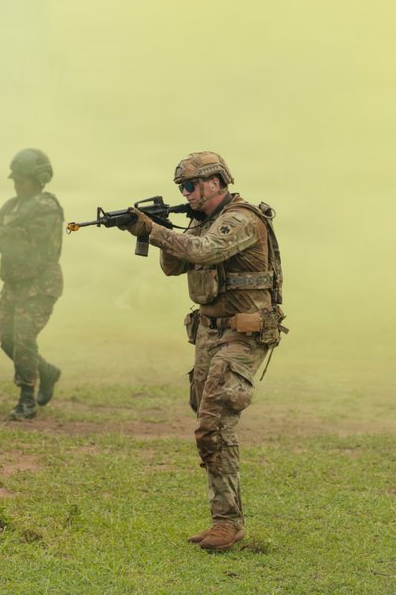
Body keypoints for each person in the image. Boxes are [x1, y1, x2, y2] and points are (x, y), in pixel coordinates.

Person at [120, 151, 286, 552]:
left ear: (215, 183)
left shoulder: (240, 219)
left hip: (243, 334)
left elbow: (204, 252)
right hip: (210, 332)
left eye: (192, 185)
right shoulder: (203, 222)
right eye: (183, 187)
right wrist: (159, 230)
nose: (187, 192)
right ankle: (224, 519)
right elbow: (174, 267)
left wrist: (153, 230)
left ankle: (227, 523)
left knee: (214, 423)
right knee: (207, 419)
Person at [0, 148, 64, 421]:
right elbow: (0, 241)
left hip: (40, 283)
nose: (17, 184)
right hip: (14, 283)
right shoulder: (11, 206)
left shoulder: (47, 207)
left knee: (23, 338)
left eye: (22, 179)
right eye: (15, 180)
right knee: (6, 337)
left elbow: (25, 240)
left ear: (39, 178)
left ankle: (26, 400)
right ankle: (45, 371)